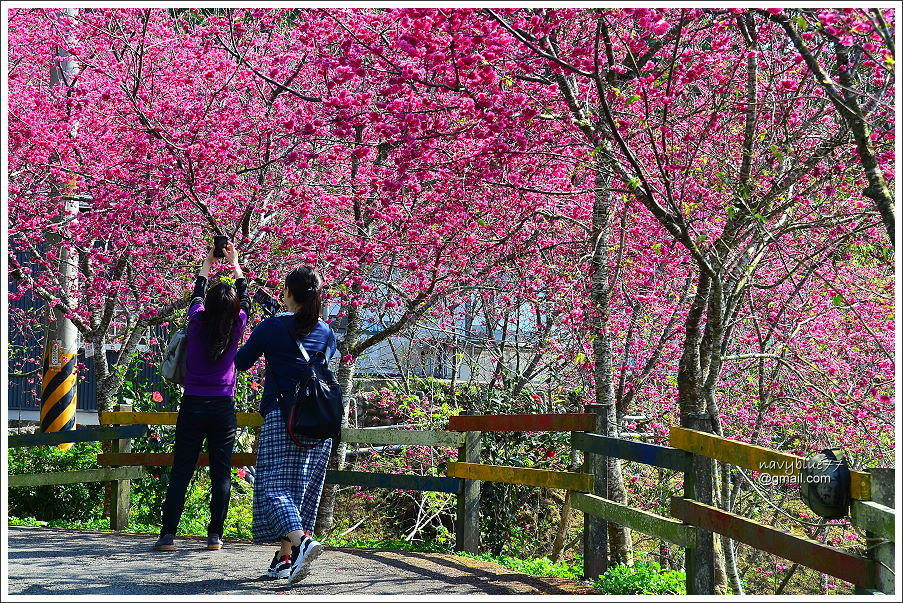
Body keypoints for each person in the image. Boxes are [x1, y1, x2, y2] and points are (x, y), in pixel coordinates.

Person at [234, 266, 336, 584]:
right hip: (320, 423)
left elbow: (240, 362)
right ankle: (284, 558)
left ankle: (303, 544)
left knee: (274, 489)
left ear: (288, 293)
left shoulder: (272, 326)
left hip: (283, 417)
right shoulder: (327, 332)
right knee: (300, 492)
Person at [154, 243, 249, 552]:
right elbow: (245, 294)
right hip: (223, 406)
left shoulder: (196, 321)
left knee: (182, 468)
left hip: (193, 404)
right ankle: (214, 536)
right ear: (233, 309)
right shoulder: (237, 325)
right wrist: (235, 265)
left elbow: (197, 292)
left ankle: (168, 535)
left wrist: (207, 264)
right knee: (221, 471)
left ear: (208, 304)